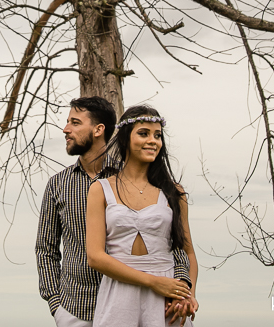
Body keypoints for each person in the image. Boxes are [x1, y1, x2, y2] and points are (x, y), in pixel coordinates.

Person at [37, 97, 193, 327]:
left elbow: (172, 243)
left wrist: (182, 285)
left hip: (140, 298)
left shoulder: (137, 178)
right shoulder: (58, 184)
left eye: (75, 122)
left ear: (99, 129)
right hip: (78, 307)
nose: (66, 129)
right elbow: (45, 248)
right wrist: (56, 303)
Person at [85, 105, 199, 327]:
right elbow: (95, 257)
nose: (153, 141)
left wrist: (188, 295)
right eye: (144, 133)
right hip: (119, 292)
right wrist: (153, 282)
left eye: (157, 136)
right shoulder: (100, 189)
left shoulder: (175, 192)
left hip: (167, 296)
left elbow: (189, 252)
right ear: (126, 139)